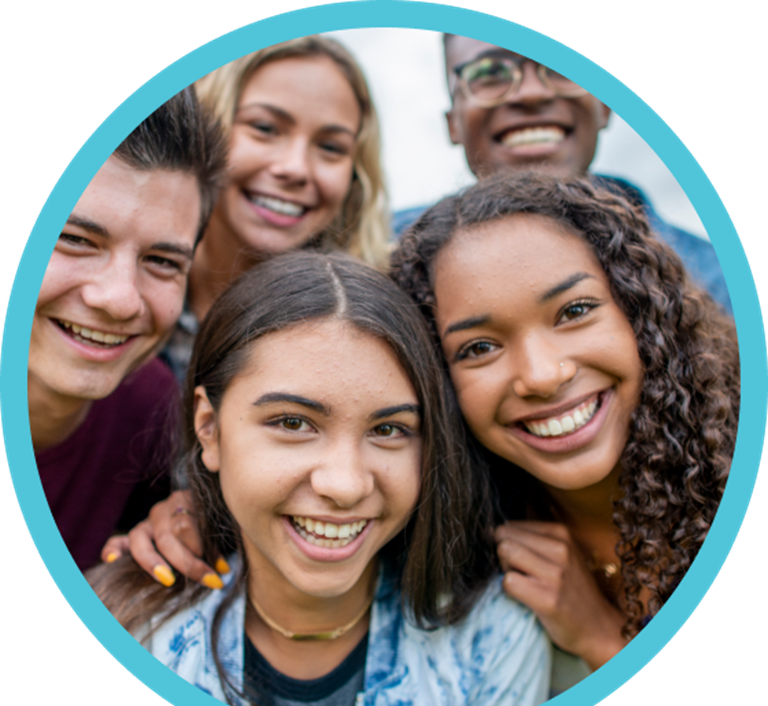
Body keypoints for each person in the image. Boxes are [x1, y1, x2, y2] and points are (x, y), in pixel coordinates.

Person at [87, 252, 551, 706]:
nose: (346, 485)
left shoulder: (492, 637)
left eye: (389, 429)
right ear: (209, 428)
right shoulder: (120, 632)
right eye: (293, 423)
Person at [390, 172, 739, 684]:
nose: (541, 375)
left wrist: (601, 639)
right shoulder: (464, 543)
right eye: (478, 348)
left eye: (574, 312)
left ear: (641, 311)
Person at [31, 88, 228, 570]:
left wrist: (177, 524)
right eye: (74, 239)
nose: (120, 300)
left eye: (161, 261)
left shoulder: (149, 407)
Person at [392, 33, 731, 313]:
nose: (531, 93)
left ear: (605, 104)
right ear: (453, 123)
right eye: (490, 73)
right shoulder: (379, 260)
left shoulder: (728, 281)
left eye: (562, 65)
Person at [161, 35, 390, 383]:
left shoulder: (378, 327)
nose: (296, 167)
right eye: (265, 128)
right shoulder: (126, 291)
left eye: (330, 147)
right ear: (205, 128)